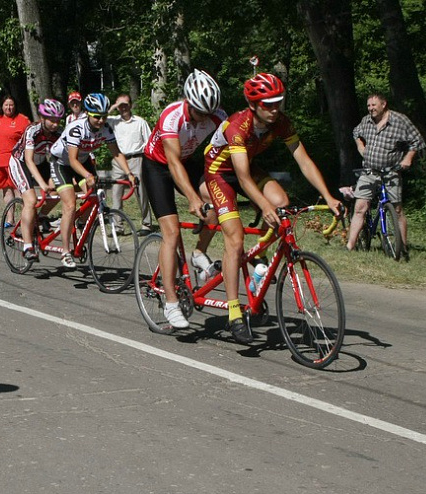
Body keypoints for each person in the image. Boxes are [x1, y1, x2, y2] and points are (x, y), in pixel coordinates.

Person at [204, 73, 341, 343]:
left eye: (278, 102)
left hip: (247, 167)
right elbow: (242, 177)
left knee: (281, 203)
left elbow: (303, 160)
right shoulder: (238, 125)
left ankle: (258, 258)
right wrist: (263, 205)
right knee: (235, 239)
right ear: (253, 105)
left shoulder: (280, 122)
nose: (275, 109)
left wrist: (328, 196)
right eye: (268, 104)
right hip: (221, 173)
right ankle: (234, 313)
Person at [142, 69, 226, 329]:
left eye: (208, 113)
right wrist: (191, 197)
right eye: (200, 112)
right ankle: (170, 303)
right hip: (158, 167)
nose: (205, 118)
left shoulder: (218, 116)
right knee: (171, 232)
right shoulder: (171, 116)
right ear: (189, 102)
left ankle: (199, 253)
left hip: (186, 161)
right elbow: (173, 163)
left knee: (216, 204)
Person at [49, 93, 137, 269]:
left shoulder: (106, 129)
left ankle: (81, 223)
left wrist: (129, 174)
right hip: (62, 163)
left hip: (83, 161)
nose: (101, 120)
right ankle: (65, 251)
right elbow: (72, 160)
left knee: (94, 197)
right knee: (70, 204)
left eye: (104, 116)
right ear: (88, 114)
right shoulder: (76, 129)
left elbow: (116, 153)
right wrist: (88, 176)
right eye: (97, 116)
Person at [346, 92, 425, 260]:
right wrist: (360, 145)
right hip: (369, 171)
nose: (371, 108)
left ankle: (402, 247)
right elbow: (356, 132)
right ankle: (350, 246)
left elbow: (417, 141)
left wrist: (408, 158)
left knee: (397, 209)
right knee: (360, 207)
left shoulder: (399, 120)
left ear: (383, 104)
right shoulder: (367, 121)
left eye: (374, 105)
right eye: (368, 105)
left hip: (391, 171)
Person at [8, 98, 65, 262]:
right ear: (42, 118)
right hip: (20, 162)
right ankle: (28, 247)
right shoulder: (33, 130)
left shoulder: (60, 133)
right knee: (31, 200)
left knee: (58, 191)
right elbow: (28, 160)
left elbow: (63, 159)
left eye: (58, 120)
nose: (55, 124)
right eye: (51, 120)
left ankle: (40, 217)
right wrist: (42, 184)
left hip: (41, 162)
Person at [107, 93, 153, 235]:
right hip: (118, 160)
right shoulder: (113, 121)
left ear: (131, 105)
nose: (123, 108)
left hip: (136, 159)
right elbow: (99, 119)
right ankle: (117, 227)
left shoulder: (140, 122)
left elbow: (149, 141)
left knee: (141, 192)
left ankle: (146, 224)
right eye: (120, 106)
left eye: (126, 105)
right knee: (116, 193)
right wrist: (113, 107)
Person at [0, 95, 31, 227]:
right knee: (6, 190)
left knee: (18, 190)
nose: (8, 107)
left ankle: (25, 219)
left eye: (11, 105)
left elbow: (30, 138)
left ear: (15, 106)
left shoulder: (22, 120)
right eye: (6, 105)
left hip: (15, 162)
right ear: (2, 106)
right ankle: (10, 219)